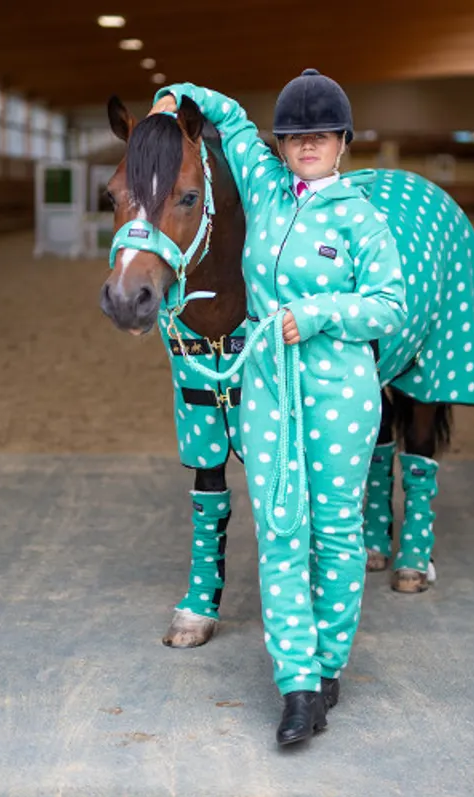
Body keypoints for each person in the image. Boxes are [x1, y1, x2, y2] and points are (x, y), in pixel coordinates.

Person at [152, 69, 407, 746]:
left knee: (334, 532)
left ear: (342, 143)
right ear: (284, 144)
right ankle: (296, 683)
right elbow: (230, 120)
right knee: (281, 530)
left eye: (320, 135)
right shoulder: (265, 189)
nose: (307, 145)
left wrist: (317, 313)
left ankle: (329, 667)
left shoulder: (360, 217)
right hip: (266, 387)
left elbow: (388, 304)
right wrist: (177, 96)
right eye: (295, 136)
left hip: (340, 391)